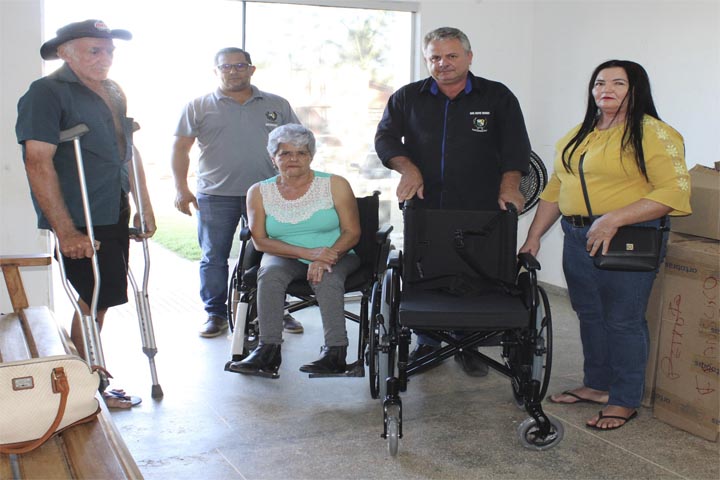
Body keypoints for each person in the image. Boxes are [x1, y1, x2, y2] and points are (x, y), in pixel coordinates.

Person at [520, 60, 691, 430]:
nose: (605, 89)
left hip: (629, 234)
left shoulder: (654, 132)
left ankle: (625, 399)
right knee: (589, 313)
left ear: (637, 89)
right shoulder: (579, 135)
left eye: (617, 82)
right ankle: (597, 385)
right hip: (578, 234)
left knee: (623, 319)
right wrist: (533, 236)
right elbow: (555, 189)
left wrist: (613, 218)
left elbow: (673, 190)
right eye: (599, 83)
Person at [16, 19, 156, 408]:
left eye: (109, 50)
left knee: (102, 298)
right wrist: (65, 231)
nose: (105, 57)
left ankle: (89, 376)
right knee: (91, 298)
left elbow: (127, 151)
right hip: (80, 214)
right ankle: (88, 383)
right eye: (94, 50)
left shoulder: (113, 91)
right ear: (66, 53)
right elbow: (37, 161)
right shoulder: (45, 93)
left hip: (113, 206)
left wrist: (143, 204)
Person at [374, 26, 530, 376]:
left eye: (451, 56)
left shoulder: (497, 96)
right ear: (427, 60)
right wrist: (408, 169)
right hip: (426, 206)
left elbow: (516, 146)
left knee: (478, 272)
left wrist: (510, 186)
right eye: (435, 57)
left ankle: (469, 343)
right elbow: (384, 138)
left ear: (468, 57)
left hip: (482, 206)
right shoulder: (407, 97)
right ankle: (426, 341)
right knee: (425, 270)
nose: (443, 63)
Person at [172, 47, 304, 338]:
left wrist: (294, 183)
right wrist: (181, 188)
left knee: (274, 255)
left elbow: (298, 143)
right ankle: (215, 314)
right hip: (215, 195)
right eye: (226, 67)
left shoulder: (276, 104)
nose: (233, 71)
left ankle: (276, 310)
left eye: (240, 66)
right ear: (216, 71)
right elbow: (181, 148)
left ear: (251, 69)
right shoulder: (198, 106)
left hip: (268, 193)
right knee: (213, 257)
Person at [227, 124, 361, 378]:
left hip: (337, 253)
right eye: (285, 153)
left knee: (328, 277)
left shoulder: (335, 184)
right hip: (283, 254)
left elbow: (352, 232)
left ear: (311, 156)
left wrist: (325, 257)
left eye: (300, 153)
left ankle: (335, 352)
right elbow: (261, 241)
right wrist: (309, 254)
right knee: (269, 273)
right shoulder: (258, 191)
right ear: (273, 158)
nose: (293, 159)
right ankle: (268, 351)